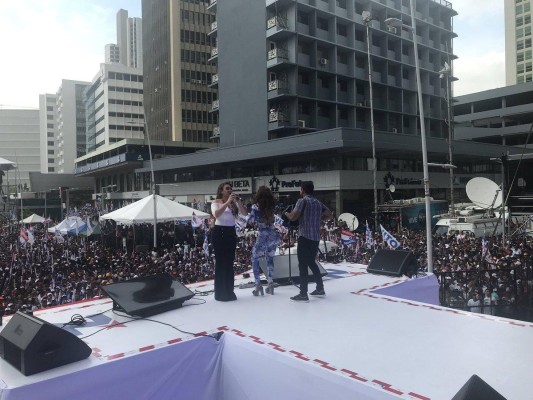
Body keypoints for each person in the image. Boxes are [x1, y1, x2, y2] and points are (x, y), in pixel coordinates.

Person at [284, 181, 332, 302]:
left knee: (303, 265)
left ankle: (303, 294)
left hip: (305, 236)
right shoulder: (317, 202)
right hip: (315, 237)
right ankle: (320, 288)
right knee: (312, 262)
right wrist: (318, 219)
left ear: (303, 190)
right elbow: (329, 214)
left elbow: (294, 217)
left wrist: (286, 213)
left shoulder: (302, 201)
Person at [211, 181, 247, 301]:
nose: (229, 190)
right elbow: (216, 214)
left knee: (229, 262)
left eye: (230, 188)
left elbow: (244, 213)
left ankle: (229, 291)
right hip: (219, 232)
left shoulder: (233, 204)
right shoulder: (216, 202)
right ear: (221, 190)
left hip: (230, 232)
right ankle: (220, 293)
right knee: (221, 263)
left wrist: (238, 202)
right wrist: (227, 202)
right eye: (227, 188)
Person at [248, 186, 280, 296]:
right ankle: (270, 283)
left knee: (255, 258)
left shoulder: (255, 207)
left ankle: (258, 284)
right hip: (274, 235)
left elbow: (250, 221)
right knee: (270, 258)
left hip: (263, 236)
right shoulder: (272, 207)